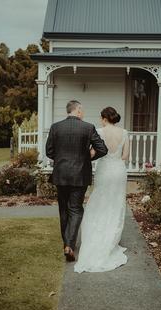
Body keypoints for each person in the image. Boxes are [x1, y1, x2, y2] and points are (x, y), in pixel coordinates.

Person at [46, 100, 108, 262]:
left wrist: (61, 159)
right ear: (78, 110)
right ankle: (69, 246)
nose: (84, 113)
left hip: (60, 174)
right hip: (80, 175)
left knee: (64, 210)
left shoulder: (56, 127)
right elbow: (102, 149)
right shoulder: (88, 127)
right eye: (83, 110)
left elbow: (49, 151)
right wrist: (87, 156)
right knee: (76, 209)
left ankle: (67, 244)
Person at [74, 107, 129, 273]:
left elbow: (92, 153)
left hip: (104, 170)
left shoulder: (98, 131)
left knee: (100, 202)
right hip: (119, 170)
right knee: (115, 204)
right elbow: (126, 156)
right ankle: (111, 239)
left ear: (104, 118)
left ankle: (98, 236)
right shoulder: (124, 132)